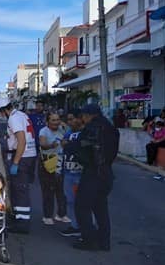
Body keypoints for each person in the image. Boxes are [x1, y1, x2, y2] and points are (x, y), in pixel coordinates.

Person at [71, 104, 119, 251]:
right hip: (106, 173)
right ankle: (104, 242)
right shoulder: (110, 128)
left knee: (82, 206)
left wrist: (71, 147)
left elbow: (85, 151)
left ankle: (89, 240)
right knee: (101, 208)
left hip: (93, 173)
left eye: (83, 116)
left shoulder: (92, 128)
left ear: (89, 115)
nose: (82, 119)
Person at [0, 97, 37, 234]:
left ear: (3, 110)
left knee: (20, 190)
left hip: (22, 157)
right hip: (28, 155)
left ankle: (22, 224)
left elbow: (22, 141)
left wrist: (16, 162)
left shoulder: (13, 118)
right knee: (19, 189)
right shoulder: (21, 115)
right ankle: (19, 217)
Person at [38, 113, 68, 225]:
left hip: (60, 162)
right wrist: (51, 145)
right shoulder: (43, 131)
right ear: (47, 122)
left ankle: (61, 214)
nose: (56, 122)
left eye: (58, 119)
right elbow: (42, 144)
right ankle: (47, 216)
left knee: (61, 190)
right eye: (53, 120)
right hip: (47, 163)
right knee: (48, 191)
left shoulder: (62, 130)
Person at [59, 110, 84, 238]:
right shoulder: (68, 133)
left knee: (84, 202)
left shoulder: (84, 133)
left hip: (81, 173)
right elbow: (63, 144)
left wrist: (69, 144)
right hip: (68, 172)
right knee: (70, 201)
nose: (70, 122)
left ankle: (86, 227)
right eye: (68, 120)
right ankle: (75, 225)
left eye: (72, 119)